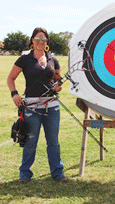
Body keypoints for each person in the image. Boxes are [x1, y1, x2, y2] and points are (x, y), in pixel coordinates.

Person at [7, 27, 67, 183]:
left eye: (44, 39)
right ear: (32, 41)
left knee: (53, 141)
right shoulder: (24, 59)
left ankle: (58, 173)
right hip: (31, 107)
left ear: (47, 42)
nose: (41, 42)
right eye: (38, 39)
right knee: (30, 141)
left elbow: (57, 81)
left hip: (52, 107)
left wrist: (58, 86)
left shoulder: (53, 60)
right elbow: (10, 78)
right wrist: (15, 94)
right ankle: (25, 174)